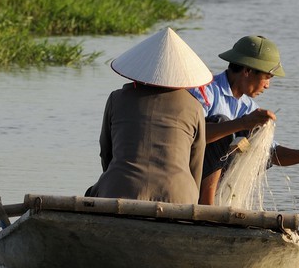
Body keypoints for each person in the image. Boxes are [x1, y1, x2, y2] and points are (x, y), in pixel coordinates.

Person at [192, 34, 299, 204]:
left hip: (219, 179)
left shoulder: (248, 107)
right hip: (191, 171)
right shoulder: (205, 92)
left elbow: (271, 153)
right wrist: (242, 123)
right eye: (267, 77)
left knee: (257, 140)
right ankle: (207, 205)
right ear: (247, 71)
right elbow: (192, 135)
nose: (267, 85)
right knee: (221, 122)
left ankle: (222, 199)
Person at [86, 26, 211, 206]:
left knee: (92, 192)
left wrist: (117, 178)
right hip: (177, 195)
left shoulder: (117, 99)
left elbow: (106, 152)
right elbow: (196, 163)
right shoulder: (194, 107)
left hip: (119, 190)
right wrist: (191, 198)